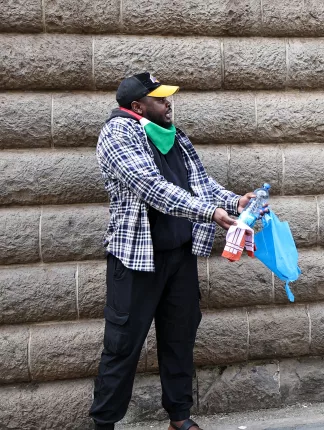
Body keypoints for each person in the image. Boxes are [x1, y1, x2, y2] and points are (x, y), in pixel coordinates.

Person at [91, 72, 261, 430]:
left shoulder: (173, 136)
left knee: (180, 339)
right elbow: (152, 187)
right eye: (159, 99)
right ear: (138, 106)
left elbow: (199, 183)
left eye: (167, 97)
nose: (168, 103)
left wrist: (235, 201)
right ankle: (104, 424)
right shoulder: (117, 134)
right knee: (122, 346)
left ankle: (179, 419)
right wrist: (210, 213)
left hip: (179, 256)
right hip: (136, 260)